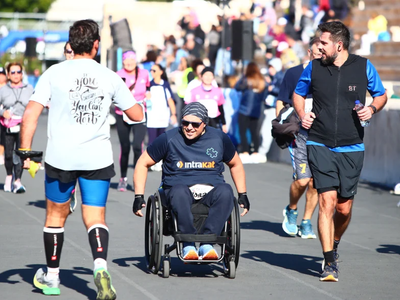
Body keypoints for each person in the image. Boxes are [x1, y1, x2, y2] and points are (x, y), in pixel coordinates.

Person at [19, 19, 144, 298]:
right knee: (95, 215)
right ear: (96, 45)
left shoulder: (54, 73)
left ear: (71, 44)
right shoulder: (110, 76)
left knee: (54, 216)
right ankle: (100, 267)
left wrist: (25, 152)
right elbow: (136, 115)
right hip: (96, 158)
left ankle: (52, 278)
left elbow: (30, 112)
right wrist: (134, 105)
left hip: (61, 157)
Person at [293, 21, 387, 282]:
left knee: (344, 209)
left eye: (323, 43)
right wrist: (303, 115)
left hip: (353, 145)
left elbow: (380, 95)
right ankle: (329, 262)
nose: (318, 47)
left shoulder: (363, 66)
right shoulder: (312, 68)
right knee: (327, 201)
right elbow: (298, 95)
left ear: (339, 45)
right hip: (319, 142)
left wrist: (373, 108)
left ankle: (333, 242)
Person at [132, 102, 250, 260]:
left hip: (210, 192)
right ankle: (188, 244)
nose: (189, 127)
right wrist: (138, 196)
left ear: (204, 124)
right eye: (185, 123)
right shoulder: (169, 138)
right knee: (179, 190)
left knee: (226, 191)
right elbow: (142, 162)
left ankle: (207, 243)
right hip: (178, 191)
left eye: (195, 124)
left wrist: (242, 194)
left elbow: (235, 163)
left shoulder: (218, 138)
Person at [277, 37, 321, 239]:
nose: (321, 54)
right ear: (309, 52)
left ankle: (306, 222)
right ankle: (291, 209)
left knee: (315, 183)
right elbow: (282, 101)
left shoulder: (330, 75)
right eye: (317, 51)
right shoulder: (294, 73)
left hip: (322, 136)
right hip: (299, 135)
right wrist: (280, 126)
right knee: (303, 180)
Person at [115, 50, 150, 192]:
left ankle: (137, 179)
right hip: (122, 113)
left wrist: (149, 94)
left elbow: (148, 87)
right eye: (126, 61)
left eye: (132, 60)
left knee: (137, 146)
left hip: (140, 112)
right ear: (123, 62)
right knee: (125, 147)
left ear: (136, 61)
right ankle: (123, 178)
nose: (129, 63)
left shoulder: (144, 74)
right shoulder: (118, 75)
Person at [0, 62, 34, 193]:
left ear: (22, 74)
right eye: (13, 72)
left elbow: (35, 104)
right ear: (8, 75)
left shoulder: (29, 88)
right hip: (8, 124)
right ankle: (9, 175)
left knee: (20, 153)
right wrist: (3, 113)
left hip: (24, 124)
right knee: (8, 154)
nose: (16, 75)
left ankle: (17, 181)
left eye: (18, 72)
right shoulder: (3, 90)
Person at [234, 62, 268, 164]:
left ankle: (245, 151)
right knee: (254, 132)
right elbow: (264, 97)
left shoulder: (246, 79)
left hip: (244, 110)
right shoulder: (262, 81)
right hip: (256, 110)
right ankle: (255, 152)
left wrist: (242, 76)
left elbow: (237, 87)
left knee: (242, 131)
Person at [147, 63, 177, 172]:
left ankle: (159, 161)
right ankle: (151, 161)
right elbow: (145, 100)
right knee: (151, 140)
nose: (152, 72)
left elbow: (170, 100)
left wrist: (174, 114)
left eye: (154, 70)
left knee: (162, 140)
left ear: (161, 72)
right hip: (151, 117)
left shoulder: (165, 85)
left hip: (163, 116)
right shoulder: (148, 85)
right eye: (151, 70)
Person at [186, 67, 227, 132]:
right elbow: (189, 108)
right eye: (206, 75)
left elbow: (220, 108)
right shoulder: (194, 91)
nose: (208, 78)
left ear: (213, 77)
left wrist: (224, 124)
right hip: (199, 122)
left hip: (214, 121)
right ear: (201, 77)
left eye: (210, 75)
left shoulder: (218, 91)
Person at [0, 66, 7, 165]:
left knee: (3, 136)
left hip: (5, 117)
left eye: (2, 75)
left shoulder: (8, 87)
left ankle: (1, 155)